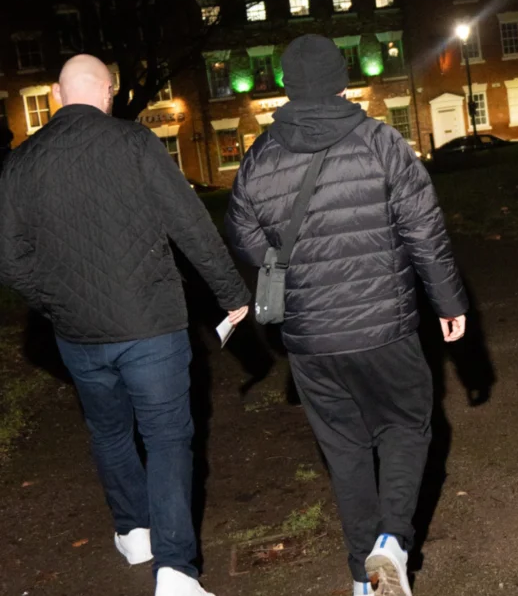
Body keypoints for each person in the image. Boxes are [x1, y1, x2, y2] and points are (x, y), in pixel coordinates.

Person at [225, 34, 469, 596]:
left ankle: (364, 577)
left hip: (311, 340)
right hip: (385, 328)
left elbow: (240, 232)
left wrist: (290, 270)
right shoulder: (380, 141)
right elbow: (424, 229)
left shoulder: (260, 156)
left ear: (288, 86)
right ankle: (392, 541)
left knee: (345, 451)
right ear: (341, 80)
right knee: (406, 426)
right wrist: (448, 301)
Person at [0, 55, 250, 596]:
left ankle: (134, 531)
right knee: (167, 438)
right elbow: (188, 222)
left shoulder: (21, 163)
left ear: (58, 95)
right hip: (150, 324)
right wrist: (231, 293)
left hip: (79, 335)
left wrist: (57, 304)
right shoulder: (134, 142)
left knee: (109, 431)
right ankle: (175, 569)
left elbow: (9, 259)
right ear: (108, 92)